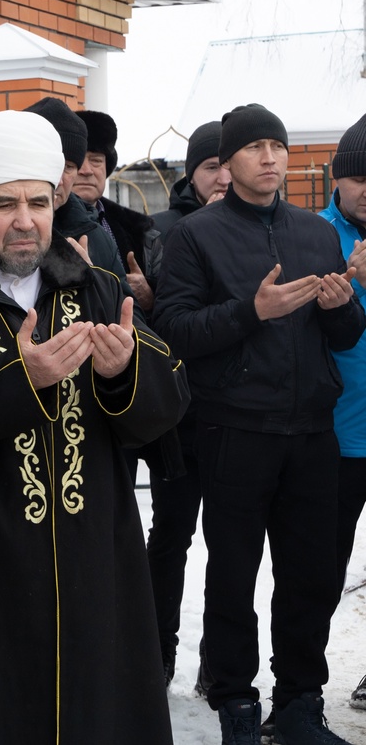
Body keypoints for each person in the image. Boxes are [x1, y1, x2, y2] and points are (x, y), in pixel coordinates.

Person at [0, 110, 187, 745]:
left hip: (96, 558)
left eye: (38, 201)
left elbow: (167, 405)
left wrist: (122, 373)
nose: (26, 220)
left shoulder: (98, 287)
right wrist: (17, 382)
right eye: (4, 204)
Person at [155, 103, 366, 745]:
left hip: (311, 430)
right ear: (230, 161)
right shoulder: (197, 236)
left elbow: (347, 333)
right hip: (234, 430)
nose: (270, 158)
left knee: (309, 576)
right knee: (233, 575)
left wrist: (338, 307)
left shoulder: (316, 235)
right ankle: (236, 706)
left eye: (278, 146)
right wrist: (253, 310)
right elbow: (175, 330)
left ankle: (300, 703)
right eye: (255, 148)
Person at [146, 119, 225, 688]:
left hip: (233, 414)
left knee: (230, 543)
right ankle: (157, 650)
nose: (221, 177)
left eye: (228, 164)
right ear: (192, 173)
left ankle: (217, 661)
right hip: (176, 415)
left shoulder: (259, 230)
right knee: (171, 534)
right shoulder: (162, 230)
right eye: (210, 166)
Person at [318, 112, 366, 712]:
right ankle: (299, 685)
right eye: (362, 181)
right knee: (319, 573)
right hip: (333, 436)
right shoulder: (314, 236)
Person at [22, 97, 134, 299]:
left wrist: (94, 284)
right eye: (50, 164)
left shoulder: (96, 236)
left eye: (69, 167)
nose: (58, 180)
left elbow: (131, 318)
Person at [73, 109, 161, 311]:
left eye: (96, 160)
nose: (86, 170)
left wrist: (149, 296)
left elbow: (173, 311)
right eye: (77, 160)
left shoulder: (141, 232)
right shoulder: (42, 226)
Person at [153, 120, 229, 233]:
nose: (224, 180)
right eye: (212, 168)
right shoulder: (157, 231)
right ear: (191, 177)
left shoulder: (259, 225)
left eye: (231, 167)